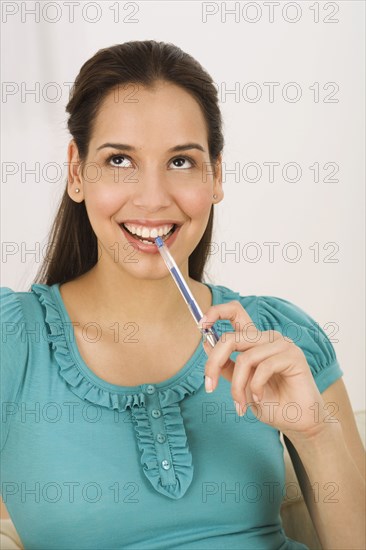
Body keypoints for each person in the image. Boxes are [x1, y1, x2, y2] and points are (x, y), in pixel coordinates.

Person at [1, 40, 365, 550]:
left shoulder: (277, 338)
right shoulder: (13, 342)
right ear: (77, 172)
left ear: (216, 176)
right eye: (120, 159)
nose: (152, 199)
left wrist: (316, 435)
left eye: (180, 162)